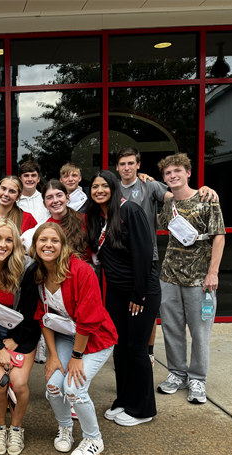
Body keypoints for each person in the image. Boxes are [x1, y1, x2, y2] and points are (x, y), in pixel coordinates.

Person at [108, 147, 217, 367]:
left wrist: (202, 191)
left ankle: (146, 351)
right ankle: (124, 350)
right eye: (122, 164)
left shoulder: (150, 185)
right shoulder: (113, 189)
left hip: (148, 257)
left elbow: (179, 198)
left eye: (131, 163)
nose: (126, 167)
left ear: (138, 165)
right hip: (119, 259)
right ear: (117, 167)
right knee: (123, 308)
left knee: (145, 307)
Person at [30, 222, 117, 455]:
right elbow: (43, 317)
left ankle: (93, 439)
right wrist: (53, 356)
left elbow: (89, 321)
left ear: (63, 245)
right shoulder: (36, 273)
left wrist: (76, 358)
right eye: (43, 240)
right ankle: (65, 427)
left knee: (74, 388)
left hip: (95, 337)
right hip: (66, 337)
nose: (48, 245)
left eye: (54, 240)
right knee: (53, 386)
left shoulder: (81, 271)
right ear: (35, 245)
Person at [155, 153, 226, 405]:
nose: (173, 176)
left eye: (177, 171)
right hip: (170, 276)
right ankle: (177, 373)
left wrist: (213, 272)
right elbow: (160, 222)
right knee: (172, 328)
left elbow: (219, 236)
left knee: (200, 330)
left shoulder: (207, 200)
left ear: (188, 173)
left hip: (200, 278)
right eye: (168, 173)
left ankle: (198, 378)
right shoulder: (168, 203)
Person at [91, 171, 160, 427]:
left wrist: (138, 294)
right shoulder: (98, 217)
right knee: (119, 349)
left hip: (140, 292)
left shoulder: (129, 210)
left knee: (137, 350)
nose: (99, 190)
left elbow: (144, 255)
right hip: (116, 293)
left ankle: (143, 409)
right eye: (94, 186)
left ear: (114, 188)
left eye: (104, 186)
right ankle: (124, 400)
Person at [0, 218, 41, 455]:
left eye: (8, 240)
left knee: (19, 384)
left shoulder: (28, 268)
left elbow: (34, 313)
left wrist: (15, 342)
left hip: (23, 334)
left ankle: (16, 427)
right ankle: (0, 426)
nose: (2, 244)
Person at [43, 180, 90, 262]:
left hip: (83, 270)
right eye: (49, 197)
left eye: (59, 195)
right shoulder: (46, 227)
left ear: (67, 198)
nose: (55, 200)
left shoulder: (84, 219)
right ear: (44, 204)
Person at [17, 159, 49, 223]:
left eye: (33, 175)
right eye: (26, 176)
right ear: (20, 179)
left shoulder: (47, 199)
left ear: (38, 179)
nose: (30, 179)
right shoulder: (14, 202)